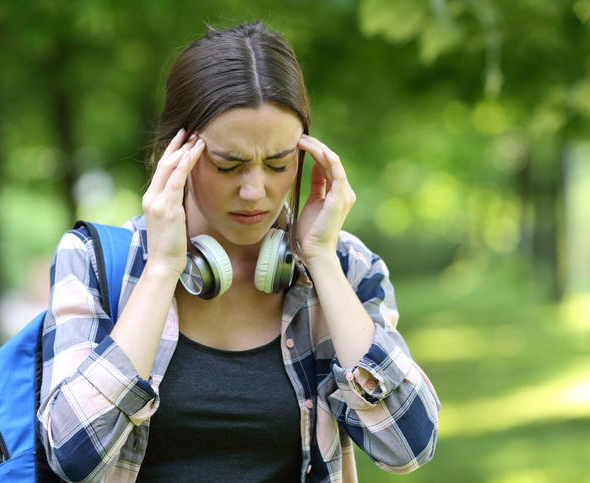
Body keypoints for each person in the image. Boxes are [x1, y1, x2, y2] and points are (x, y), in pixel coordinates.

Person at [38, 21, 440, 483]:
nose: (256, 191)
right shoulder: (92, 261)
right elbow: (71, 456)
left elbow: (408, 447)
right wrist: (161, 270)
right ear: (176, 153)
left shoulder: (347, 266)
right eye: (229, 165)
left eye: (278, 163)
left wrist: (321, 260)